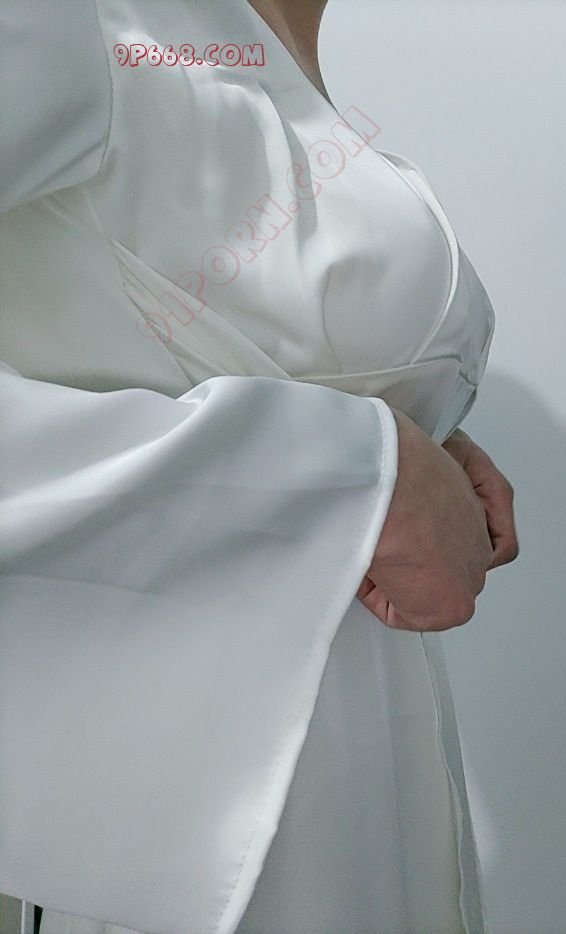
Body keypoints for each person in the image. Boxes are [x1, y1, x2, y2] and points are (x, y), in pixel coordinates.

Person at [0, 1, 518, 932]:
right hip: (193, 810)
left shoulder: (236, 36)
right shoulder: (73, 21)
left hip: (350, 775)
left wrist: (411, 420)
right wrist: (361, 471)